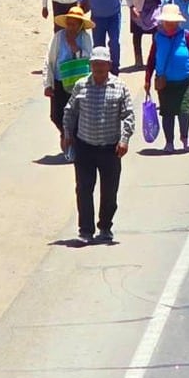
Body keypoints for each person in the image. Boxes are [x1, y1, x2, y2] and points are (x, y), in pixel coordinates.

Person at [63, 48, 135, 243]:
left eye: (102, 64)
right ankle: (85, 230)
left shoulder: (120, 87)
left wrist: (124, 140)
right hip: (84, 146)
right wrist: (67, 134)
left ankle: (105, 226)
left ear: (109, 65)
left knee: (109, 190)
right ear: (90, 65)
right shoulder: (81, 86)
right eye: (95, 64)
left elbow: (128, 114)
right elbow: (70, 111)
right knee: (84, 189)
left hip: (110, 149)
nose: (98, 68)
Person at [144, 2, 189, 152]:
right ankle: (169, 142)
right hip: (165, 82)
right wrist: (147, 79)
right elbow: (151, 60)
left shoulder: (186, 36)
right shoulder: (158, 38)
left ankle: (185, 137)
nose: (170, 25)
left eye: (173, 22)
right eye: (168, 22)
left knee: (184, 110)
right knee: (167, 112)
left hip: (185, 81)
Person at [44, 8, 93, 159]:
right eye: (68, 24)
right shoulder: (58, 37)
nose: (70, 27)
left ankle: (74, 146)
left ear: (80, 25)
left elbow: (90, 59)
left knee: (77, 116)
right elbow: (49, 59)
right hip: (60, 80)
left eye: (74, 24)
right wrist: (47, 83)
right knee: (56, 115)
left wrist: (75, 48)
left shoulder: (85, 38)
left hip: (78, 83)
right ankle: (66, 134)